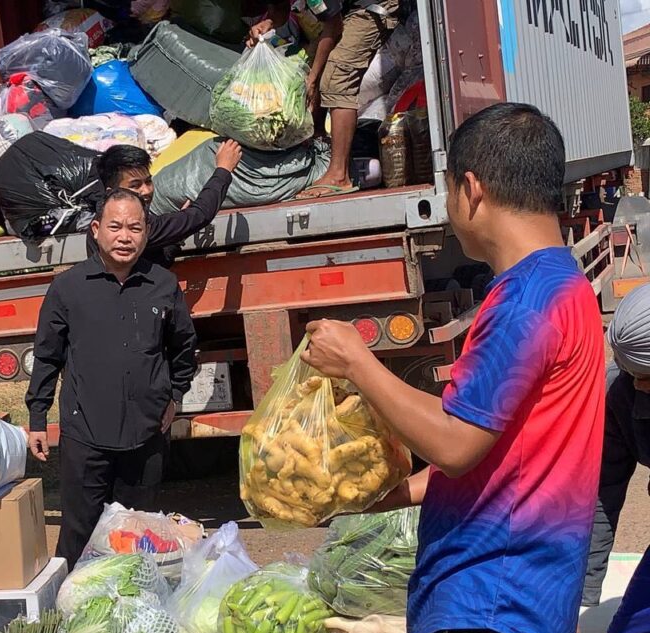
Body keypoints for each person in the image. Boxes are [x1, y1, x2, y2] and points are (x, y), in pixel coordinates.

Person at [303, 103, 604, 633]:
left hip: (488, 614)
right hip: (466, 611)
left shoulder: (525, 302)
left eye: (445, 190)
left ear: (471, 188)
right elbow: (511, 453)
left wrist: (358, 362)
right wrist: (391, 494)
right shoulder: (563, 286)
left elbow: (456, 442)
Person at [28, 188, 198, 567]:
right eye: (115, 226)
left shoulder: (163, 285)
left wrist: (175, 395)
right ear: (96, 230)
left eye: (135, 228)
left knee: (136, 539)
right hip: (85, 435)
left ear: (146, 233)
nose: (125, 237)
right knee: (78, 534)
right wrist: (38, 417)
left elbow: (183, 347)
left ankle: (133, 599)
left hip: (146, 435)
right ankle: (68, 599)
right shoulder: (68, 288)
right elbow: (47, 357)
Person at [576, 285, 650, 633]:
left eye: (649, 378)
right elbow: (604, 495)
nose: (640, 387)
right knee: (631, 624)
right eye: (632, 375)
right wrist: (580, 595)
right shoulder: (620, 396)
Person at [248, 0, 401, 198]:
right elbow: (280, 8)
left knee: (337, 77)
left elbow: (333, 26)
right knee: (309, 67)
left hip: (369, 7)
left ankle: (339, 175)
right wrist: (267, 23)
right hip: (340, 12)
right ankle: (321, 149)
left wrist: (312, 80)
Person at [85, 140, 242, 268]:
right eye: (135, 185)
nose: (146, 191)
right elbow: (200, 215)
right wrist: (223, 169)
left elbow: (155, 259)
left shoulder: (102, 218)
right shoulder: (137, 226)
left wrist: (176, 234)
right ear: (111, 192)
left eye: (148, 181)